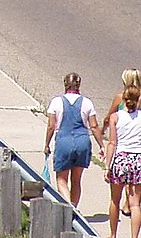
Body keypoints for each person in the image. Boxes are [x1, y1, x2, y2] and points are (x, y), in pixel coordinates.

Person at [103, 69, 141, 215]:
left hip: (123, 138)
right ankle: (130, 204)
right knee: (136, 171)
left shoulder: (120, 98)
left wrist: (101, 129)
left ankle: (127, 203)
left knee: (123, 170)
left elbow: (109, 116)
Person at [43, 72, 104, 207]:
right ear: (79, 85)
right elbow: (94, 126)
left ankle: (69, 207)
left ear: (65, 84)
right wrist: (101, 145)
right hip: (82, 142)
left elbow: (51, 126)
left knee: (61, 179)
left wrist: (46, 144)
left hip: (64, 142)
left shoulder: (56, 102)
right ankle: (74, 207)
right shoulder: (87, 102)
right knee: (76, 180)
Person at [104, 85, 141, 238]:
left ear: (123, 99)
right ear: (138, 100)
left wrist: (107, 166)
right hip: (138, 158)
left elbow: (112, 142)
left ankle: (113, 234)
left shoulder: (115, 117)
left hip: (121, 159)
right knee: (135, 204)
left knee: (115, 200)